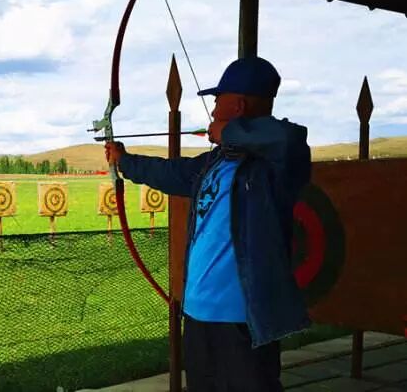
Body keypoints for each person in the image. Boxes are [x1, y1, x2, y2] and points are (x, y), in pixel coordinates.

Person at [105, 56, 311, 392]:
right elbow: (171, 173)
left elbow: (288, 139)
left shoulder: (275, 165)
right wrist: (125, 161)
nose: (213, 110)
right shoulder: (215, 161)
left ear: (238, 105)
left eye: (217, 101)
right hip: (198, 313)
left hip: (243, 319)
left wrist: (229, 131)